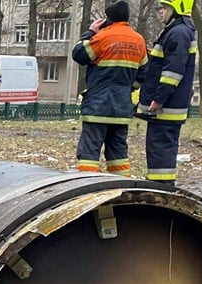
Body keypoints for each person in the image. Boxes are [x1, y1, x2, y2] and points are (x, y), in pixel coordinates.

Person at [71, 1, 147, 176]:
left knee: (89, 153)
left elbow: (79, 54)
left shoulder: (104, 37)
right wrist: (127, 89)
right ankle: (122, 188)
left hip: (98, 106)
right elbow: (143, 74)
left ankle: (88, 185)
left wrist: (90, 32)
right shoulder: (138, 40)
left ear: (108, 19)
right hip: (122, 109)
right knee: (118, 154)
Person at [136, 0, 196, 186]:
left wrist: (159, 99)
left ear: (177, 8)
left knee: (160, 150)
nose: (160, 12)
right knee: (159, 150)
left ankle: (161, 188)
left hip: (166, 107)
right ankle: (160, 185)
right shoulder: (178, 31)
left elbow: (172, 72)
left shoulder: (178, 33)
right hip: (168, 106)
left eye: (164, 8)